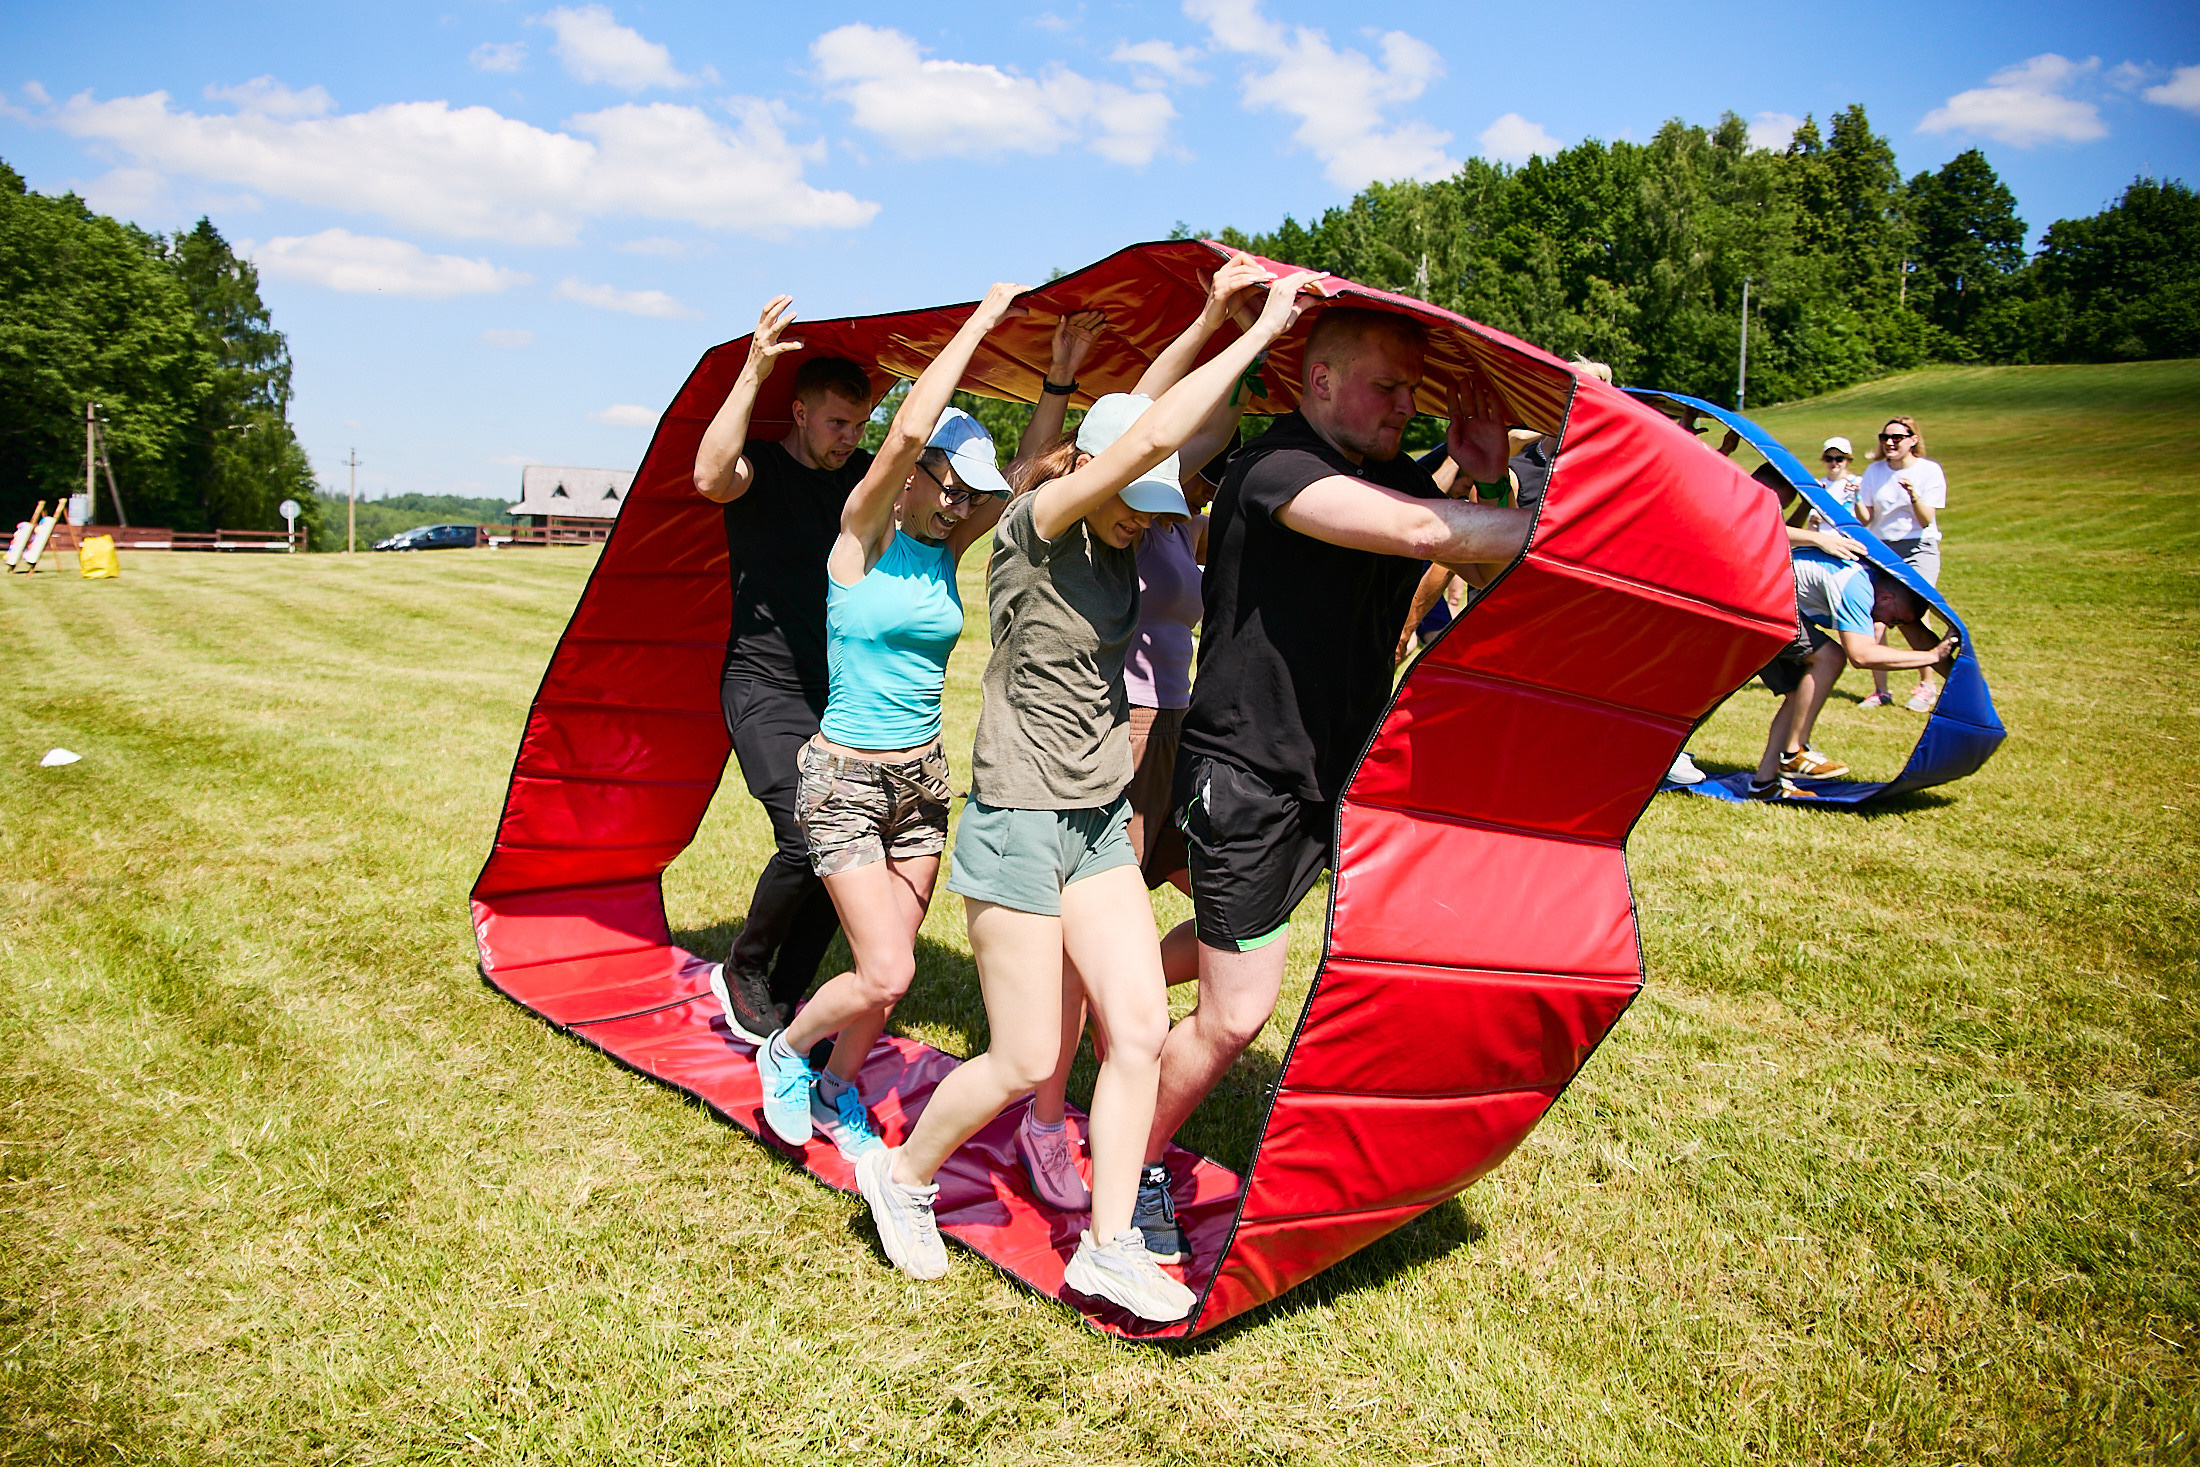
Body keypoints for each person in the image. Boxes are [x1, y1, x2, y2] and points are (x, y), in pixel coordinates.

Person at [855, 269, 1320, 1325]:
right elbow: (1138, 443)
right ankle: (906, 1175)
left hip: (1098, 816)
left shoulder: (1127, 537)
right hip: (1019, 817)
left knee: (1141, 1032)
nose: (1147, 520)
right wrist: (1263, 332)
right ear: (1085, 476)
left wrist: (1207, 317)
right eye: (1133, 501)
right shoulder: (1034, 525)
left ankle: (1108, 1245)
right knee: (1025, 1057)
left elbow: (1148, 429)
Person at [1134, 306, 1535, 1264]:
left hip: (1318, 771)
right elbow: (1413, 530)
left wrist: (1482, 466)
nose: (1407, 408)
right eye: (1387, 388)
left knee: (1245, 933)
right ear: (1319, 384)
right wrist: (1561, 526)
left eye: (1414, 392)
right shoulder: (1278, 469)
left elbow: (1437, 517)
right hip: (1246, 772)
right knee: (1236, 1012)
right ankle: (1131, 1164)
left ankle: (1099, 990)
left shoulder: (1377, 467)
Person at [746, 289, 1018, 1164]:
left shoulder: (945, 545)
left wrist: (1050, 378)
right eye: (950, 488)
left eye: (969, 496)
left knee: (889, 977)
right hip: (846, 780)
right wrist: (978, 329)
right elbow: (902, 435)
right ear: (918, 474)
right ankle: (785, 1054)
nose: (956, 508)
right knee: (888, 968)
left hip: (922, 780)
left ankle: (835, 1088)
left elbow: (1035, 469)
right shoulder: (858, 536)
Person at [692, 299, 877, 1044]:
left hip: (835, 696)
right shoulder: (761, 469)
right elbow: (710, 475)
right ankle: (744, 965)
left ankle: (785, 995)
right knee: (808, 833)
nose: (848, 440)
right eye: (837, 424)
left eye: (860, 427)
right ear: (798, 413)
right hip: (762, 686)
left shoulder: (860, 476)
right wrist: (754, 369)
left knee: (852, 855)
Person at [1748, 467, 1958, 798]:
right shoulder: (1857, 587)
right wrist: (1931, 657)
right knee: (1832, 656)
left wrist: (1961, 679)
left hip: (1767, 599)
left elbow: (1916, 629)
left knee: (1801, 692)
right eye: (1893, 619)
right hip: (1757, 598)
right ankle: (1794, 753)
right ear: (1886, 597)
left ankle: (1764, 783)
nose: (1889, 626)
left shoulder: (1882, 582)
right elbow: (1862, 656)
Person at [1855, 415, 1947, 711]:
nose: (1890, 442)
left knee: (1913, 615)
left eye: (1897, 437)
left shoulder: (1928, 471)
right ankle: (1881, 690)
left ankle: (1927, 686)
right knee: (1878, 619)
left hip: (1918, 548)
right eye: (1885, 438)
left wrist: (1913, 494)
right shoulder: (1874, 471)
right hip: (1882, 550)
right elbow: (1866, 519)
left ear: (1913, 439)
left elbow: (1925, 520)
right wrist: (1856, 496)